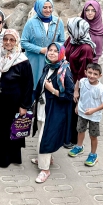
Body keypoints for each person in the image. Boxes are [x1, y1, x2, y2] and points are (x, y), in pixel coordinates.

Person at [0, 29, 33, 168]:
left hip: (11, 103)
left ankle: (6, 158)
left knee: (7, 130)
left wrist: (24, 106)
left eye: (12, 40)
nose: (8, 42)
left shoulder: (23, 61)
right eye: (5, 39)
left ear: (16, 42)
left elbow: (28, 85)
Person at [31, 43, 75, 183]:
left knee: (45, 138)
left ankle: (44, 169)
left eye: (56, 51)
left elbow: (69, 95)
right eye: (50, 50)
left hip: (54, 111)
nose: (52, 53)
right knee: (42, 135)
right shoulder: (48, 66)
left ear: (61, 53)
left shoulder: (64, 71)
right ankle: (46, 157)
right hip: (42, 108)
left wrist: (53, 90)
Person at [21, 0, 65, 94]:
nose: (48, 10)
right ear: (39, 7)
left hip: (52, 62)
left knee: (49, 88)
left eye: (50, 7)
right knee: (32, 87)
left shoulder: (58, 22)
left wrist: (53, 50)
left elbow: (62, 42)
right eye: (44, 7)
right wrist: (40, 50)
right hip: (34, 61)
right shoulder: (31, 22)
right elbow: (23, 42)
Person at [64, 16, 95, 149]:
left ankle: (74, 140)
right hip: (67, 80)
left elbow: (85, 73)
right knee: (68, 111)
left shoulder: (86, 48)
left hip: (78, 84)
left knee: (75, 112)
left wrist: (77, 90)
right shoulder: (72, 40)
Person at [70, 63, 103, 166]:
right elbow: (78, 83)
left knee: (93, 136)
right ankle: (79, 147)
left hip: (94, 116)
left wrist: (94, 110)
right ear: (85, 72)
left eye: (95, 74)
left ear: (100, 76)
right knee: (80, 130)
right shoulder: (83, 81)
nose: (92, 76)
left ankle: (93, 154)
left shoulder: (101, 89)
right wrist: (77, 100)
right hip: (82, 113)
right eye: (90, 73)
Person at [80, 0, 103, 78]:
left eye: (93, 10)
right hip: (81, 65)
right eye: (87, 10)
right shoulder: (80, 27)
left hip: (97, 67)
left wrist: (94, 64)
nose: (90, 13)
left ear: (98, 12)